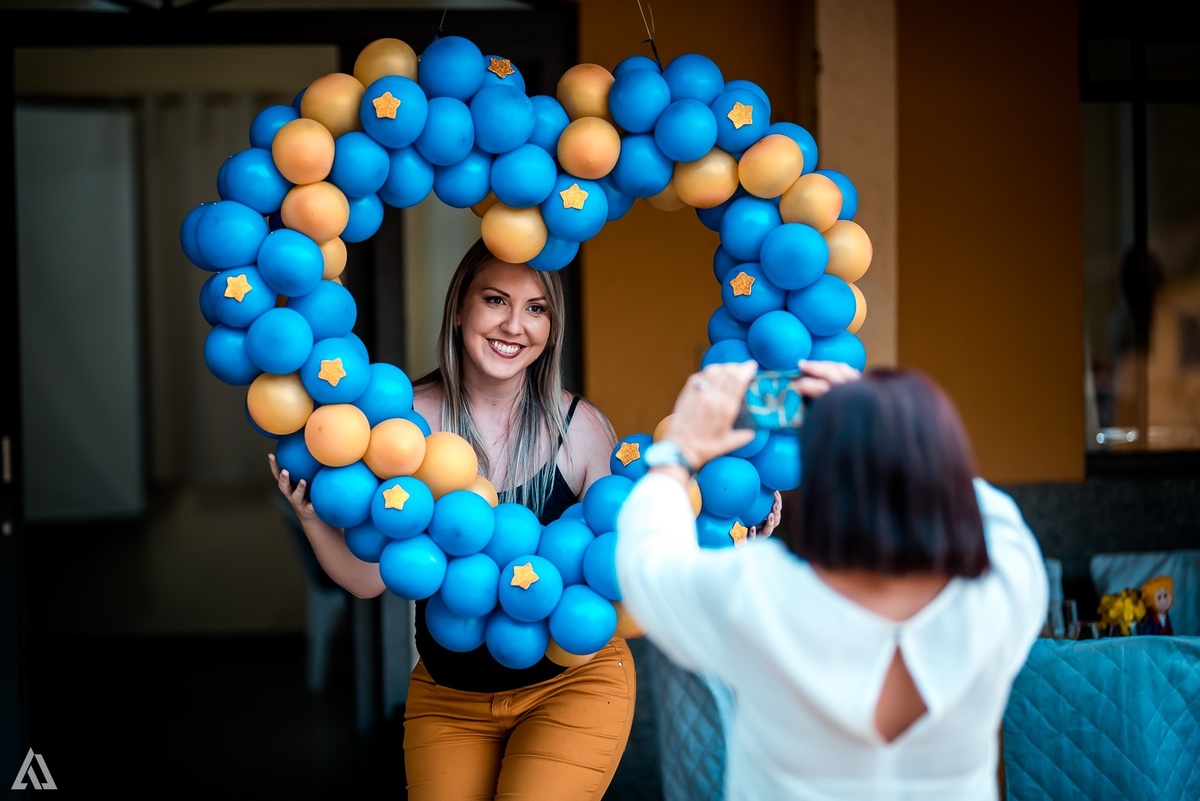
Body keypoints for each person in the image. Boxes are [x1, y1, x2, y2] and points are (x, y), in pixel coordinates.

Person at [270, 237, 635, 801]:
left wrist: (731, 526)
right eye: (495, 300)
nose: (514, 325)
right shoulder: (403, 424)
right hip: (448, 695)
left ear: (551, 326)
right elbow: (371, 579)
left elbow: (625, 558)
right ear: (460, 307)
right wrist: (314, 519)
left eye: (536, 308)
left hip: (574, 684)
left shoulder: (580, 427)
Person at [615, 359, 1049, 801]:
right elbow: (989, 511)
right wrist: (895, 430)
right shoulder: (1002, 594)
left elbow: (644, 562)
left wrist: (680, 451)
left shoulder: (761, 595)